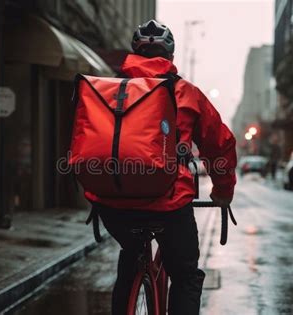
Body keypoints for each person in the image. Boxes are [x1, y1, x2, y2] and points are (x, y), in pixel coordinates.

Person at [88, 20, 237, 315]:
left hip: (112, 204)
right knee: (185, 276)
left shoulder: (108, 90)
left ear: (135, 52)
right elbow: (219, 145)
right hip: (168, 204)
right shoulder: (185, 92)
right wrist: (223, 190)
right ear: (169, 57)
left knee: (130, 258)